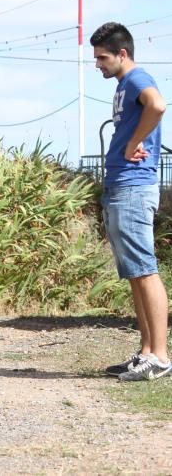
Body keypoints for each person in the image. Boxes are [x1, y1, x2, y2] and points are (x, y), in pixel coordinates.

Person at [91, 22, 170, 381]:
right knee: (135, 274)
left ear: (122, 53)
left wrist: (131, 142)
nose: (98, 64)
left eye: (102, 57)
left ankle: (161, 355)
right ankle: (146, 352)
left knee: (145, 269)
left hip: (135, 186)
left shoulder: (138, 79)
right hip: (122, 186)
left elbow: (157, 105)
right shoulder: (125, 85)